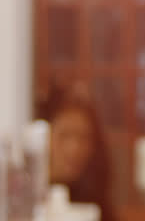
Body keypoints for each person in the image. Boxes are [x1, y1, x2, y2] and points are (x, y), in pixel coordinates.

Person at [35, 83, 118, 221]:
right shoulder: (30, 193)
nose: (74, 148)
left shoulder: (93, 200)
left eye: (83, 137)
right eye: (64, 135)